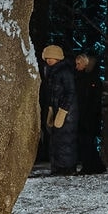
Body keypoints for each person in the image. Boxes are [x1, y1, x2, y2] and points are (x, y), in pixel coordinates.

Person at [41, 45, 77, 175]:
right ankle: (57, 166)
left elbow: (70, 92)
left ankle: (66, 168)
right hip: (57, 109)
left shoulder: (64, 72)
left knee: (65, 140)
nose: (49, 60)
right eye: (48, 57)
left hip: (66, 112)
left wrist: (64, 110)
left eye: (52, 57)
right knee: (56, 139)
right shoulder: (51, 71)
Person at [74, 52, 106, 174]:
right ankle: (94, 165)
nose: (77, 66)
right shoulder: (85, 79)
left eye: (79, 64)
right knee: (87, 142)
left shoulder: (91, 80)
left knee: (86, 142)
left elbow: (92, 100)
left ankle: (90, 165)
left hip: (88, 116)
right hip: (86, 115)